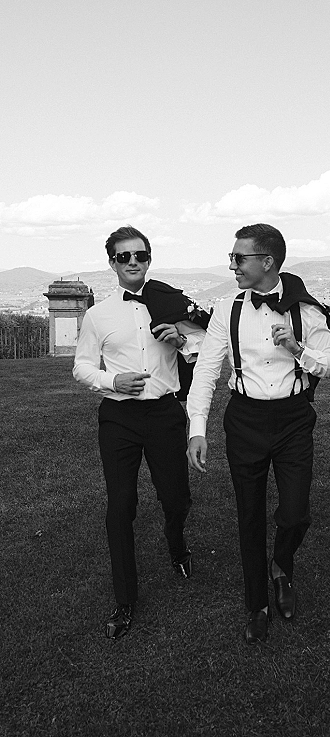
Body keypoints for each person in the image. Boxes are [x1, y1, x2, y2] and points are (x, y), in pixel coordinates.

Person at [186, 223, 330, 644]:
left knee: (295, 512)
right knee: (249, 515)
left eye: (239, 258)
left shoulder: (306, 312)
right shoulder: (227, 308)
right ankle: (256, 603)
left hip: (293, 420)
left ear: (267, 262)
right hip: (244, 420)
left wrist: (298, 350)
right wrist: (197, 428)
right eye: (232, 257)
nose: (232, 264)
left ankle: (281, 566)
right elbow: (204, 370)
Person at [73, 226, 206, 639]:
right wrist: (113, 382)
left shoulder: (169, 304)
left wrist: (181, 340)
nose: (133, 262)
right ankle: (125, 599)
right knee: (121, 505)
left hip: (165, 415)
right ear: (111, 262)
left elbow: (203, 352)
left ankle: (176, 543)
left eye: (140, 255)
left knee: (176, 497)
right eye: (123, 256)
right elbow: (81, 368)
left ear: (149, 258)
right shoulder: (97, 316)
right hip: (118, 420)